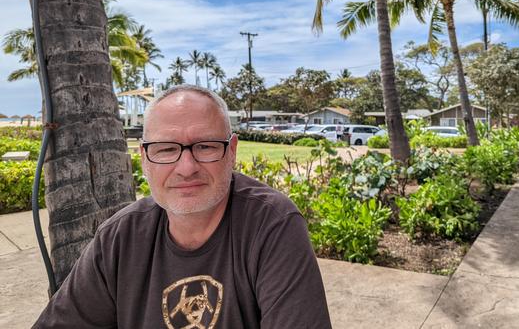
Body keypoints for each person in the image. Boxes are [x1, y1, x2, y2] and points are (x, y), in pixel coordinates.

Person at [34, 85, 332, 328]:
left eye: (205, 146)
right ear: (145, 158)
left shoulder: (272, 224)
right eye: (166, 149)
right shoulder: (119, 237)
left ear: (231, 151)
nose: (186, 168)